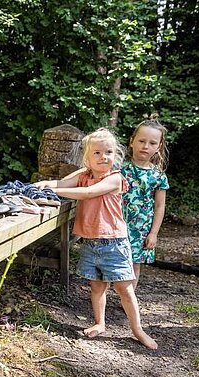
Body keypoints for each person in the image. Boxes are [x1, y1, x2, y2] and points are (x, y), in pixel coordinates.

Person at [34, 128, 157, 350]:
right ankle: (99, 322)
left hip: (114, 242)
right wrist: (42, 185)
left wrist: (59, 190)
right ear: (87, 158)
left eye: (108, 152)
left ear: (116, 155)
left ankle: (137, 330)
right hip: (91, 242)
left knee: (124, 289)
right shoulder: (84, 176)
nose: (104, 157)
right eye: (97, 153)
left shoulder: (115, 178)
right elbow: (62, 183)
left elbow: (88, 194)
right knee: (97, 287)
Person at [121, 119, 169, 289]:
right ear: (132, 141)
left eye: (152, 143)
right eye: (141, 141)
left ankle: (127, 299)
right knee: (111, 261)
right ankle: (102, 296)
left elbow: (159, 206)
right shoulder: (119, 169)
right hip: (117, 225)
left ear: (158, 147)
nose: (145, 146)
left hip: (141, 229)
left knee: (134, 264)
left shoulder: (158, 176)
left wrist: (154, 233)